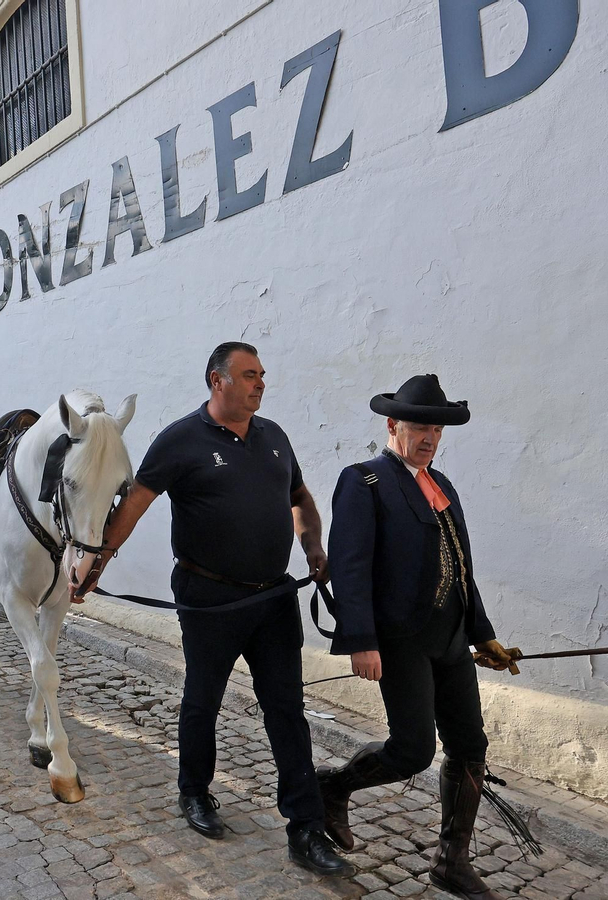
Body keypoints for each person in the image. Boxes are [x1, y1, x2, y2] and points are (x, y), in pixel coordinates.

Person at [84, 341, 352, 877]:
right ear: (217, 380)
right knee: (202, 699)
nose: (260, 384)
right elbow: (134, 504)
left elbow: (300, 499)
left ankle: (304, 828)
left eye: (262, 376)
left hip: (275, 597)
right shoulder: (180, 440)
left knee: (286, 710)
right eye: (249, 375)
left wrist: (314, 546)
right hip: (209, 597)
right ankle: (195, 792)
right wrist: (95, 565)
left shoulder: (274, 437)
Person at [318, 375, 516, 900]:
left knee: (470, 745)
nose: (429, 437)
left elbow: (461, 568)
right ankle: (333, 786)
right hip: (401, 641)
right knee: (412, 751)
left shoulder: (442, 485)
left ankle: (452, 861)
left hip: (450, 640)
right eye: (419, 427)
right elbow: (350, 567)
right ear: (392, 425)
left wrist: (484, 636)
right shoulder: (363, 481)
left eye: (436, 428)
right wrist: (360, 638)